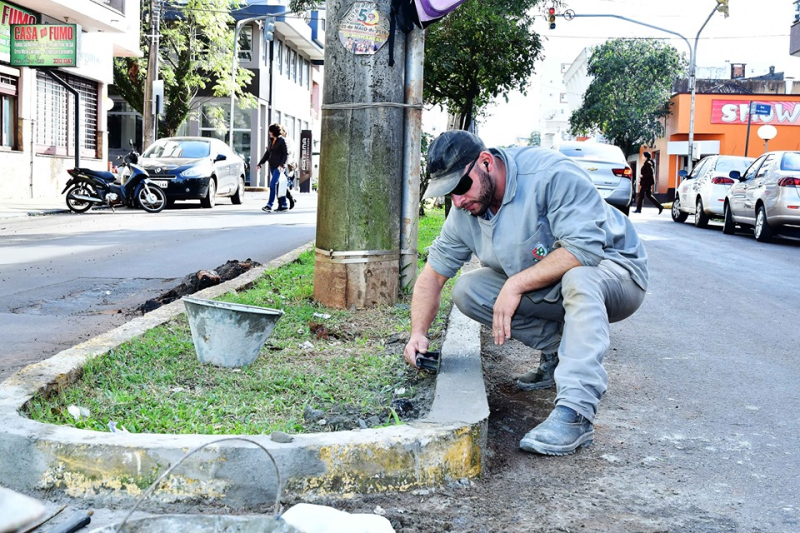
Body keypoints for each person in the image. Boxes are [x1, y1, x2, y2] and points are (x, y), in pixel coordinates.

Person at [403, 131, 648, 456]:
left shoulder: (549, 175)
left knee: (579, 277)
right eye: (448, 194)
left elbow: (583, 251)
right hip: (554, 278)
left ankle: (575, 413)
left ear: (486, 162)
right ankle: (560, 350)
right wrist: (417, 334)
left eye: (461, 188)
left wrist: (515, 284)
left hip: (616, 270)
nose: (458, 201)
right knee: (469, 290)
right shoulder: (465, 212)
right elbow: (432, 277)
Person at [256, 123, 288, 212]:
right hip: (272, 166)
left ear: (274, 131)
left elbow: (286, 154)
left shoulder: (282, 141)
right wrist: (260, 164)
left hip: (279, 167)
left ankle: (269, 205)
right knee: (278, 186)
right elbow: (267, 154)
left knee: (272, 184)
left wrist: (282, 165)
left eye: (270, 131)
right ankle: (283, 204)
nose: (269, 133)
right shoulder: (271, 141)